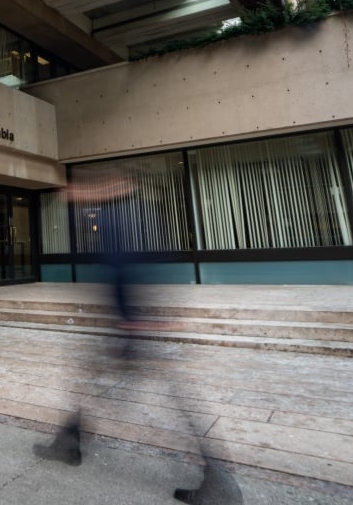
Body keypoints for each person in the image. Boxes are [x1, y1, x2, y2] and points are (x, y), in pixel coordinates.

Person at [32, 166, 242, 504]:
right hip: (132, 322)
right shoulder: (129, 215)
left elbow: (123, 267)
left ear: (118, 188)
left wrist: (133, 322)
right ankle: (68, 442)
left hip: (132, 325)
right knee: (94, 380)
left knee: (171, 396)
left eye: (103, 187)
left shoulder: (119, 219)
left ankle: (220, 482)